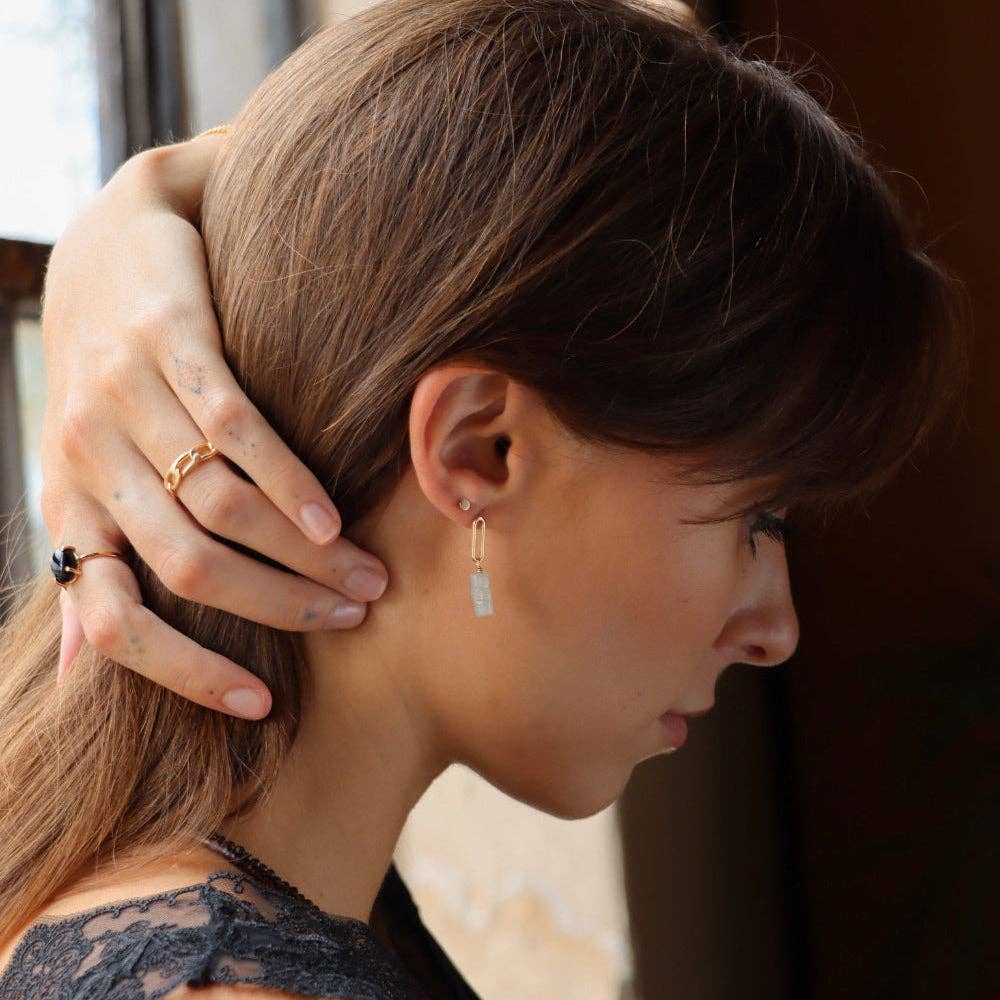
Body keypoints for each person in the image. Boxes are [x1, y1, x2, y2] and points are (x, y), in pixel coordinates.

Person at [0, 0, 968, 996]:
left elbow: (433, 150)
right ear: (478, 450)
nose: (776, 628)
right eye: (755, 520)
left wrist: (143, 197)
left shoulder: (230, 899)